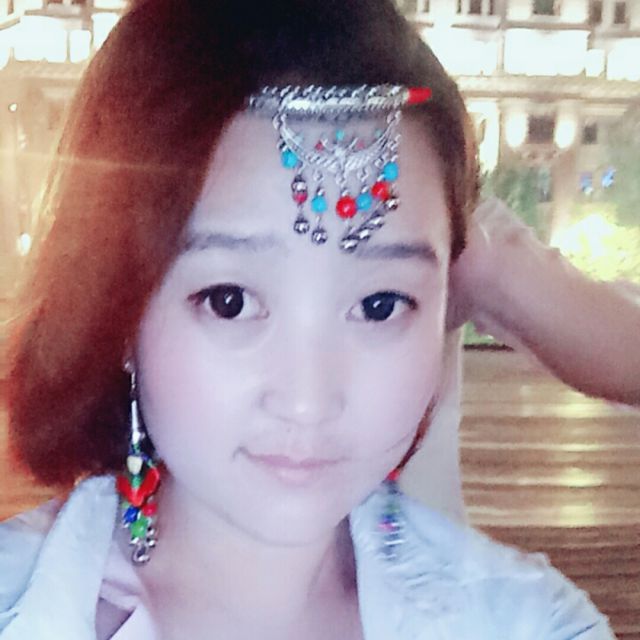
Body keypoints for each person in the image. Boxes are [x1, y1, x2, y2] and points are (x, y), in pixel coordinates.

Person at [0, 1, 615, 638]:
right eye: (230, 301)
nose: (307, 400)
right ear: (120, 306)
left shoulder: (530, 623)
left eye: (379, 306)